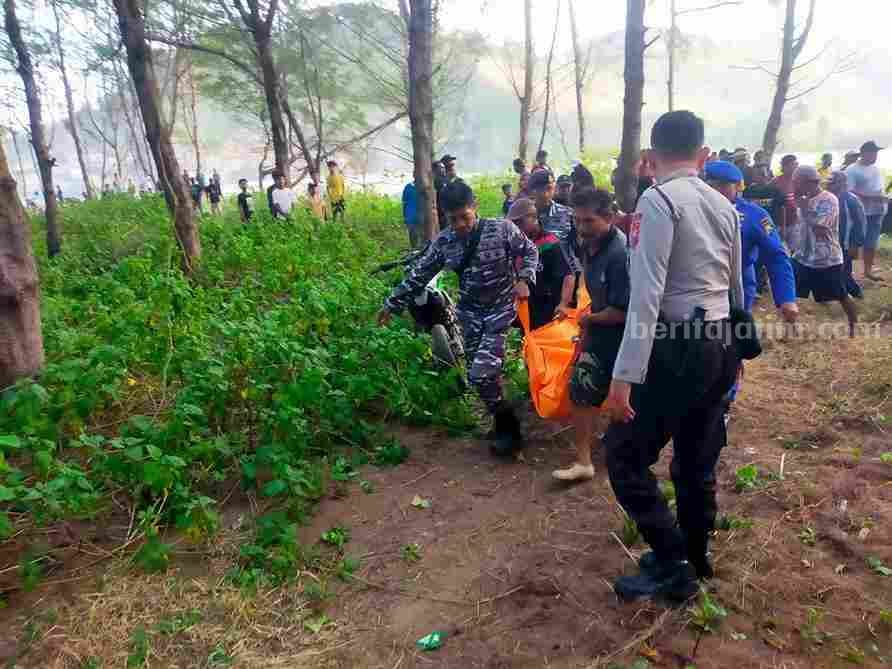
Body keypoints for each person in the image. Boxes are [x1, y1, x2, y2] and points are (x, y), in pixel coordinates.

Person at [603, 110, 742, 603]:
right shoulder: (723, 203)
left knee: (623, 456)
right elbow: (735, 286)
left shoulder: (657, 201)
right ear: (704, 155)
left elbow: (646, 295)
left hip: (677, 345)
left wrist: (623, 378)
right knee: (694, 457)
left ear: (650, 157)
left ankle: (672, 564)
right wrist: (735, 355)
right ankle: (697, 555)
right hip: (720, 340)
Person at [378, 181, 538, 456]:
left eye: (465, 216)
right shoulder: (444, 242)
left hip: (500, 309)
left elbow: (530, 252)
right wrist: (392, 303)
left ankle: (509, 430)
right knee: (480, 376)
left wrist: (525, 279)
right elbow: (419, 275)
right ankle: (503, 418)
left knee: (480, 372)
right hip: (470, 313)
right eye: (453, 220)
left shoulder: (502, 229)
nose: (461, 225)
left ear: (474, 205)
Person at [555, 188, 630, 482]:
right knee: (581, 387)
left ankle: (619, 449)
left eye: (588, 221)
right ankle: (583, 462)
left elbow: (624, 311)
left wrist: (588, 319)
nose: (581, 229)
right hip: (601, 329)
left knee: (621, 398)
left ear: (609, 217)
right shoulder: (591, 243)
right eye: (577, 221)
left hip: (625, 336)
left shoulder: (619, 254)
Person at [705, 161, 798, 317]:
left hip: (737, 284)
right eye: (710, 185)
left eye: (722, 186)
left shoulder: (756, 216)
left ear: (738, 187)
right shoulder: (692, 210)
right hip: (699, 286)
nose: (714, 191)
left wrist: (786, 298)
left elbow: (776, 255)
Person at [792, 165, 858, 336]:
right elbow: (801, 226)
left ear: (806, 182)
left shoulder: (828, 200)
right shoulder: (804, 199)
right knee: (790, 291)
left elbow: (820, 229)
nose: (794, 185)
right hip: (803, 257)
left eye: (796, 181)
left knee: (841, 294)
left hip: (826, 259)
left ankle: (853, 326)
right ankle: (791, 330)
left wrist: (805, 208)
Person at [506, 198, 570, 330]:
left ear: (534, 218)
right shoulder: (515, 245)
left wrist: (563, 303)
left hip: (550, 311)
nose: (515, 227)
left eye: (519, 222)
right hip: (528, 312)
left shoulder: (550, 244)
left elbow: (568, 276)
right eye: (513, 223)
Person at [528, 170, 581, 313]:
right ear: (532, 191)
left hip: (565, 279)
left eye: (549, 189)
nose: (545, 194)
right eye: (541, 190)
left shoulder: (567, 213)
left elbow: (579, 248)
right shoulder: (525, 216)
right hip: (537, 280)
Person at [845, 141, 888, 280]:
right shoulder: (852, 169)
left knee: (872, 242)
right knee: (854, 243)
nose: (875, 155)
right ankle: (847, 272)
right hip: (860, 212)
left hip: (877, 211)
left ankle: (868, 271)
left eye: (876, 152)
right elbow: (849, 191)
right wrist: (872, 197)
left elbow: (878, 187)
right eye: (873, 152)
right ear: (864, 153)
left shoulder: (874, 168)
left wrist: (881, 198)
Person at [827, 171, 865, 299]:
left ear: (843, 183)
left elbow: (860, 224)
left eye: (834, 183)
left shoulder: (851, 200)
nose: (830, 186)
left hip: (846, 243)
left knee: (844, 271)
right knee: (835, 269)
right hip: (832, 241)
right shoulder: (828, 198)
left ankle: (855, 293)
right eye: (830, 183)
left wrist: (856, 244)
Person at [771, 154, 800, 250]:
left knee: (794, 251)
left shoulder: (797, 180)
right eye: (794, 164)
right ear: (785, 166)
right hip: (779, 224)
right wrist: (781, 227)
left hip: (794, 223)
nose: (796, 166)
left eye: (797, 164)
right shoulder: (775, 182)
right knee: (779, 250)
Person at [402, 179, 421, 248]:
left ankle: (416, 250)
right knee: (413, 236)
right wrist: (404, 216)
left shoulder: (424, 187)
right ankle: (414, 250)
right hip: (411, 217)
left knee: (418, 236)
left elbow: (404, 204)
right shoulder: (408, 187)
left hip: (419, 217)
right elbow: (404, 204)